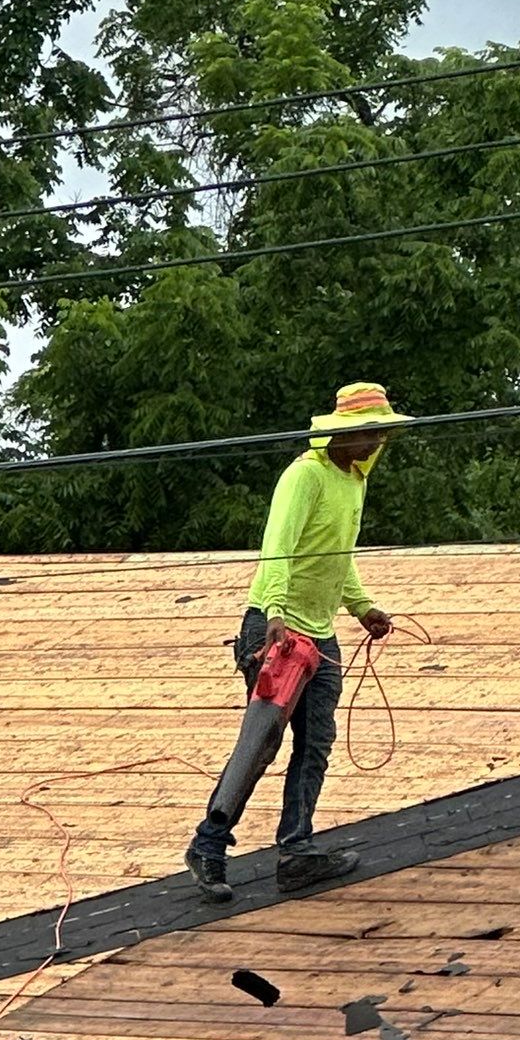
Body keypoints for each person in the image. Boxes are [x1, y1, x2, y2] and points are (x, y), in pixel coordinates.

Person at [184, 382, 404, 898]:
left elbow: (337, 555)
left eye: (381, 432)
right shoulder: (306, 475)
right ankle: (208, 846)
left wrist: (362, 607)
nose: (376, 441)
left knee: (316, 743)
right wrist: (277, 612)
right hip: (276, 626)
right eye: (369, 431)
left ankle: (296, 851)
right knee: (262, 740)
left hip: (321, 635)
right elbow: (278, 546)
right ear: (342, 432)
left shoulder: (354, 482)